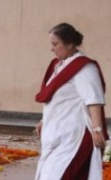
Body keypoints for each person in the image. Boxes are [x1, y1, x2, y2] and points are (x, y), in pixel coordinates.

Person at [34, 22, 109, 180]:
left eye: (55, 44)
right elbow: (54, 97)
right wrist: (44, 120)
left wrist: (97, 130)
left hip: (74, 135)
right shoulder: (58, 65)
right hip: (56, 132)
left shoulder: (84, 68)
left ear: (69, 44)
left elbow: (94, 100)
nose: (51, 48)